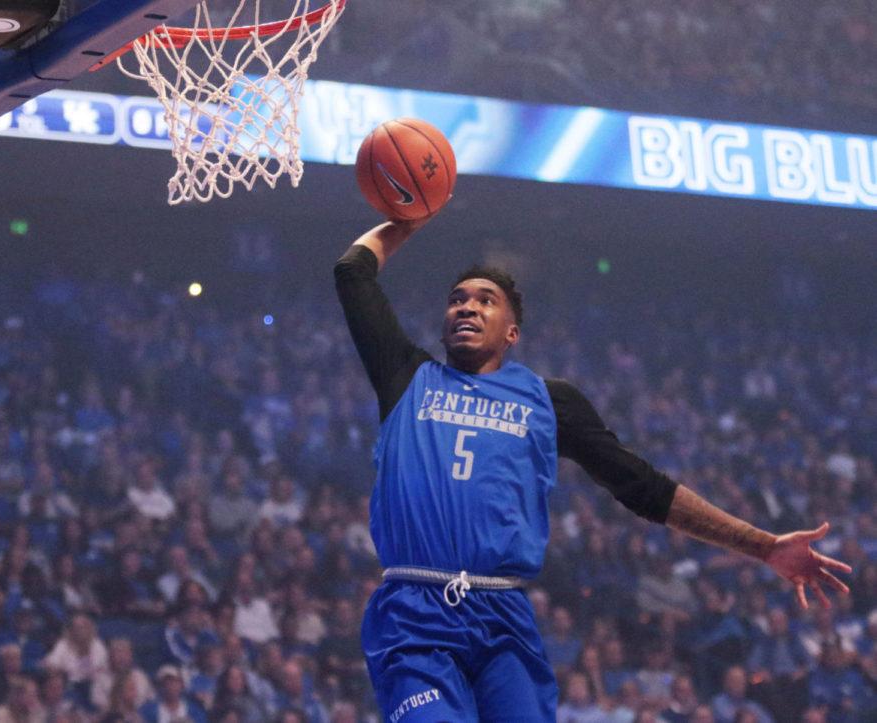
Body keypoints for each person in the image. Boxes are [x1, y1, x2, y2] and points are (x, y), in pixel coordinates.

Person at [334, 217, 852, 722]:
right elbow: (353, 273)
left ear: (512, 331)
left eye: (485, 300)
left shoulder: (548, 401)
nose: (467, 306)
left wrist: (762, 545)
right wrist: (409, 219)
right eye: (457, 299)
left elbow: (646, 489)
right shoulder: (408, 378)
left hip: (502, 619)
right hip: (415, 616)